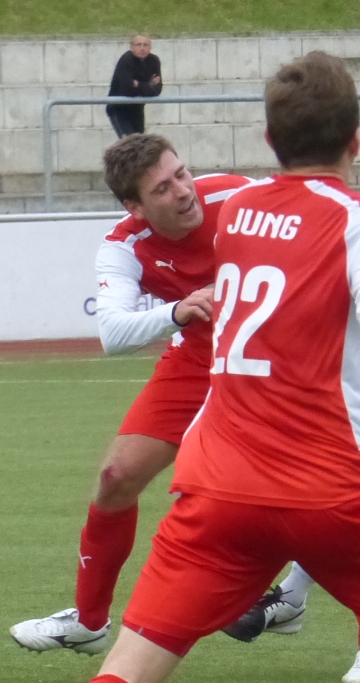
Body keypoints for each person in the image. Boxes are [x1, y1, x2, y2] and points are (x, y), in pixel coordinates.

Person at [80, 51, 360, 683]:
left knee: (131, 667)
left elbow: (295, 240)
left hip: (215, 490)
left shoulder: (238, 212)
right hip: (325, 486)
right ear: (357, 139)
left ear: (269, 140)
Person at [9, 135, 249, 656]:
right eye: (162, 188)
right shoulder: (124, 244)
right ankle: (89, 621)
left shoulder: (239, 197)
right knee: (116, 478)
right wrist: (177, 311)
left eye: (182, 174)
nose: (183, 191)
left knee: (305, 488)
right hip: (197, 357)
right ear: (134, 207)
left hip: (269, 363)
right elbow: (113, 334)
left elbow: (317, 215)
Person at [106, 35, 162, 138]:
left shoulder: (154, 61)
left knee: (140, 142)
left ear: (150, 47)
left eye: (145, 45)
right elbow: (127, 89)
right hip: (119, 108)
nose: (142, 48)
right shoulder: (126, 60)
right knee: (129, 142)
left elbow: (156, 90)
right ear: (131, 47)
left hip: (137, 107)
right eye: (138, 45)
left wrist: (138, 84)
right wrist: (148, 85)